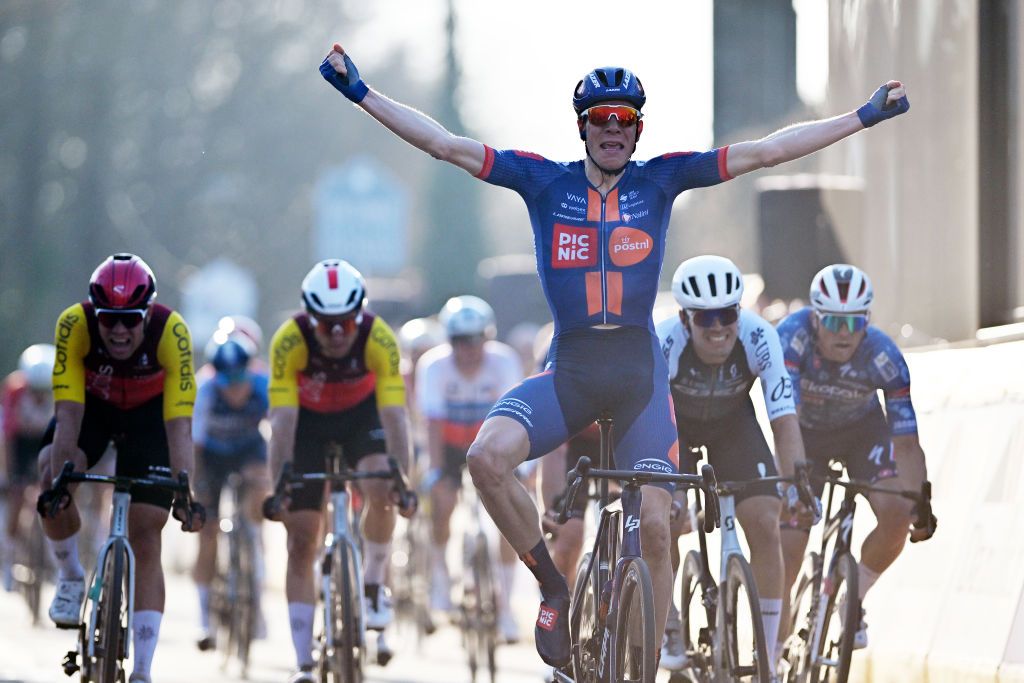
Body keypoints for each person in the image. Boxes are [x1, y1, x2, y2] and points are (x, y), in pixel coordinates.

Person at [319, 44, 910, 667]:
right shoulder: (542, 180)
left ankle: (647, 668)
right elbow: (446, 145)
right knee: (487, 459)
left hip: (638, 378)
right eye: (600, 117)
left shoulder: (662, 178)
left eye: (624, 118)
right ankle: (551, 585)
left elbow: (767, 152)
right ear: (583, 127)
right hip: (571, 367)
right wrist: (363, 94)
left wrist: (859, 117)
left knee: (656, 528)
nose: (612, 128)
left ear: (638, 129)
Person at [36, 253, 203, 683]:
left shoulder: (172, 331)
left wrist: (187, 493)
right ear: (95, 313)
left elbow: (180, 427)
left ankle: (144, 668)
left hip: (151, 419)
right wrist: (60, 485)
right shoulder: (74, 325)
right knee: (50, 471)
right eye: (110, 319)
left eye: (131, 320)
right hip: (93, 411)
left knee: (147, 532)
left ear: (147, 313)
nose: (120, 331)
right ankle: (71, 575)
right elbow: (68, 416)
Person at [655, 255, 816, 673]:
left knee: (766, 520)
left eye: (727, 314)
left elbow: (783, 420)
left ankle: (766, 652)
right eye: (705, 318)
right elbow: (651, 420)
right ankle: (671, 622)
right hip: (675, 429)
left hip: (734, 426)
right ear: (685, 318)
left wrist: (795, 482)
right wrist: (670, 490)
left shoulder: (760, 336)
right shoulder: (664, 341)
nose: (718, 328)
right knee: (664, 518)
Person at [263, 259, 416, 683]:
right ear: (309, 317)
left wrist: (404, 480)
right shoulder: (288, 340)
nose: (335, 334)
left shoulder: (378, 337)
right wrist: (281, 482)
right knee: (300, 538)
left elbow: (396, 417)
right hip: (306, 424)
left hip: (359, 417)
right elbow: (281, 423)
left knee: (381, 487)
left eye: (345, 323)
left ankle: (371, 585)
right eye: (325, 323)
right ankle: (303, 662)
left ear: (360, 315)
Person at [776, 264, 934, 650]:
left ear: (867, 318)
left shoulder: (884, 355)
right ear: (815, 317)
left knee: (900, 512)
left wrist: (921, 501)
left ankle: (854, 600)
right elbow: (785, 421)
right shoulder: (791, 339)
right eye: (832, 321)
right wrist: (793, 490)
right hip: (804, 434)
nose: (842, 333)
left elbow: (907, 441)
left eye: (853, 322)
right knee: (790, 547)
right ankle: (773, 652)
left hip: (862, 433)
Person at [415, 295, 524, 641]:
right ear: (449, 341)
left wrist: (519, 466)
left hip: (491, 444)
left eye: (475, 339)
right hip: (448, 445)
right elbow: (432, 424)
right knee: (442, 506)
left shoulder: (504, 362)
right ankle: (441, 579)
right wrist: (434, 473)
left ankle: (506, 609)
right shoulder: (433, 366)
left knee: (509, 521)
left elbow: (516, 420)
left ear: (487, 338)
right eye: (459, 341)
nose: (468, 348)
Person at [191, 337, 270, 651]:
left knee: (259, 494)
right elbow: (194, 445)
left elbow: (279, 430)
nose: (234, 391)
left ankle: (254, 577)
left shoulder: (264, 385)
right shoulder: (205, 391)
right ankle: (204, 616)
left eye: (240, 381)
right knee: (207, 531)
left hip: (249, 450)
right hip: (211, 455)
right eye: (227, 382)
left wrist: (270, 479)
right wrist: (197, 488)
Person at [1, 344, 56, 589]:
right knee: (17, 494)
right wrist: (9, 474)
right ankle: (9, 559)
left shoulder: (61, 391)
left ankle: (52, 558)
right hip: (21, 443)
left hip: (46, 441)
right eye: (36, 389)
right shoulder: (14, 390)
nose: (40, 395)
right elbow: (8, 437)